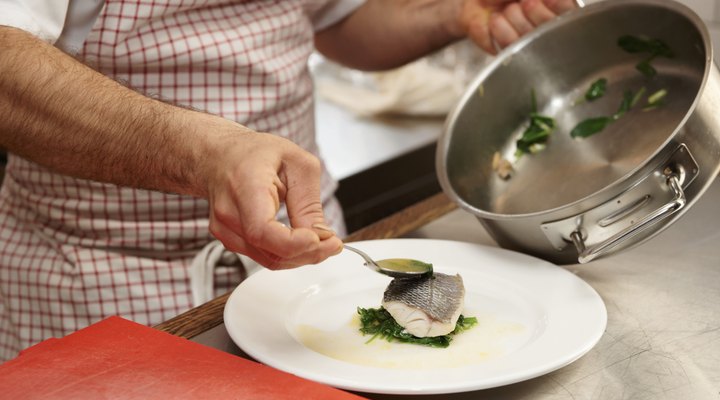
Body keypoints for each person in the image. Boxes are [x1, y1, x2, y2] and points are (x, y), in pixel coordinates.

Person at [0, 0, 576, 361]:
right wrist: (204, 153)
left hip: (316, 264)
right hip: (106, 280)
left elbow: (338, 17)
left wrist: (454, 11)